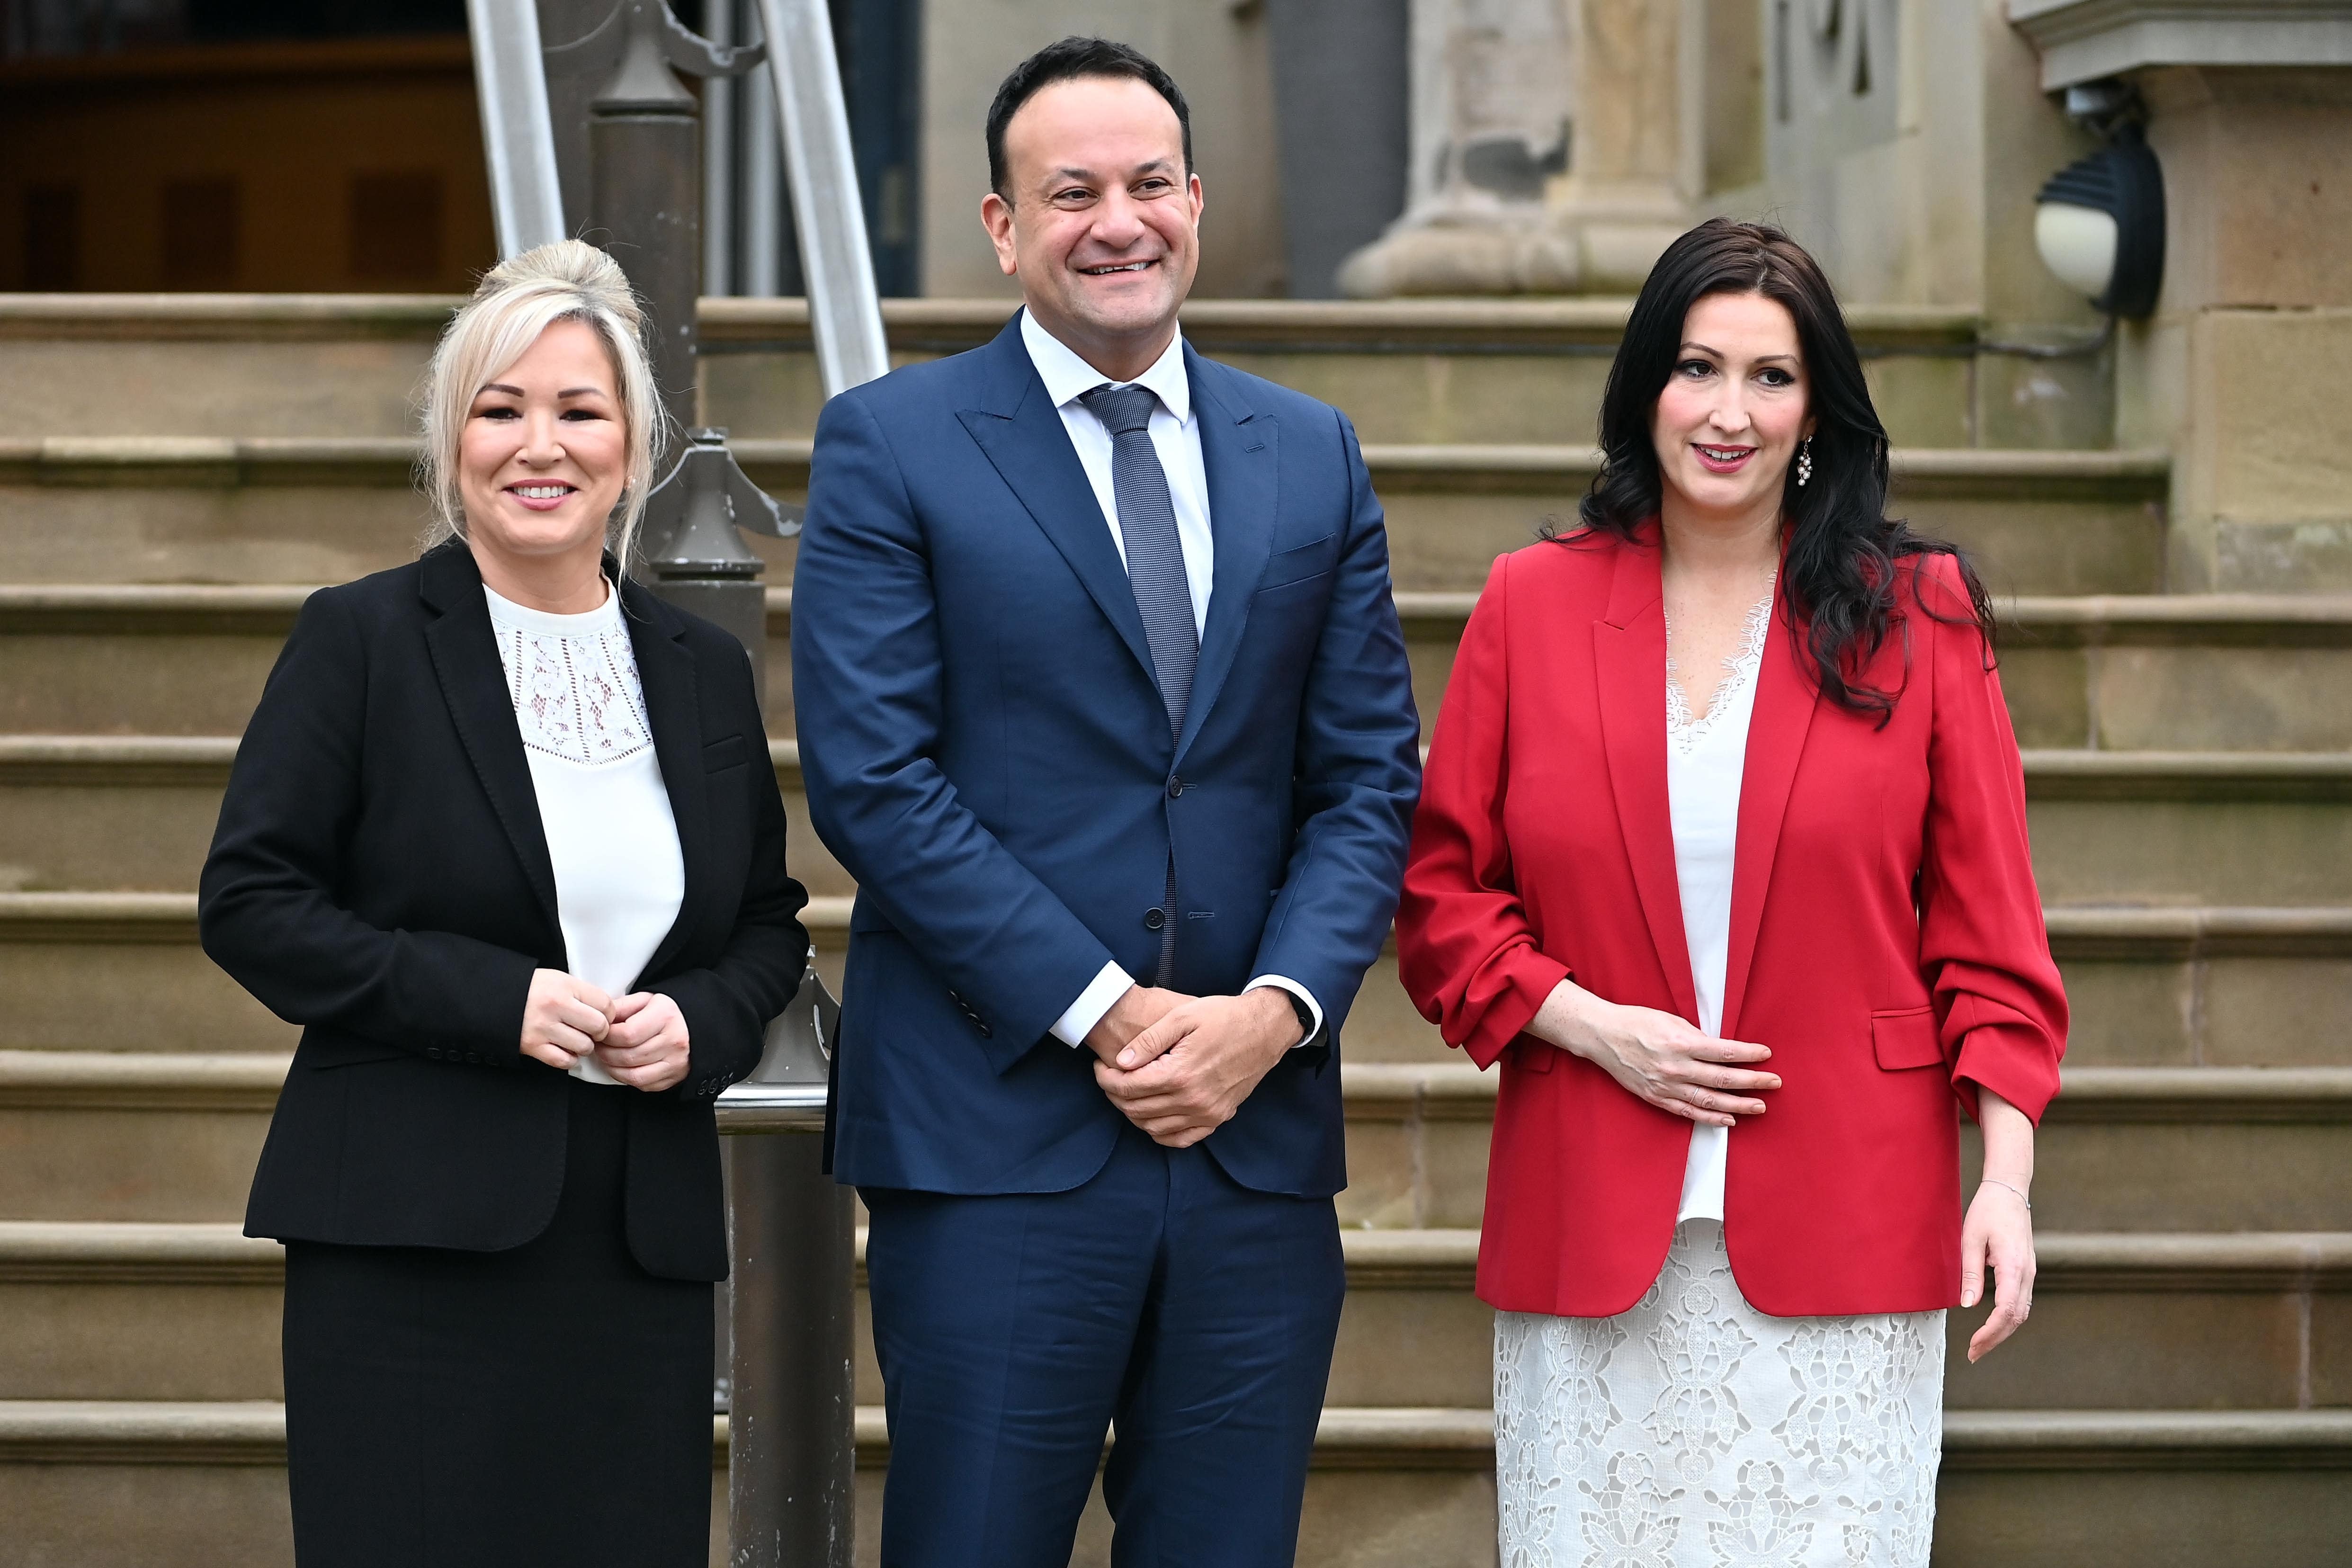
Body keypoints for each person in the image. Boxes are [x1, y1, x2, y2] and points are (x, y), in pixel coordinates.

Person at [791, 35, 1422, 1568]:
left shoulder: (1312, 455)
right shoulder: (893, 444)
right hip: (998, 1130)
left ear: (1197, 201)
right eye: (1069, 192)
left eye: (1148, 183)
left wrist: (1271, 1013)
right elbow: (874, 780)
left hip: (1251, 1144)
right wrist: (1110, 1012)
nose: (1117, 221)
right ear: (1003, 228)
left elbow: (1366, 777)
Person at [1395, 219, 2067, 1567]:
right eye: (1699, 368)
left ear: (1817, 411)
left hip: (1850, 1220)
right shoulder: (1531, 606)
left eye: (1772, 377)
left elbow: (1991, 940)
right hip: (1589, 1216)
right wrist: (1588, 1022)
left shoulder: (1919, 615)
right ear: (1649, 386)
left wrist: (2004, 1181)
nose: (1729, 412)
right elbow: (1442, 900)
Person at [197, 240, 810, 1568]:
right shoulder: (358, 639)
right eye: (501, 408)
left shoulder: (699, 669)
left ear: (635, 451)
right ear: (452, 442)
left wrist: (700, 1026)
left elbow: (769, 920)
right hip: (410, 1236)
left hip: (632, 1247)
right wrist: (495, 999)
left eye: (580, 412)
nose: (543, 445)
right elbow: (252, 900)